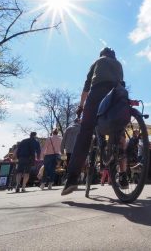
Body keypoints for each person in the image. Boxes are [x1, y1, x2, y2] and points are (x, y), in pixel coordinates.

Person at [62, 47, 124, 196]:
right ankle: (113, 151)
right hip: (117, 94)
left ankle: (72, 179)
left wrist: (81, 106)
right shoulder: (119, 64)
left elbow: (86, 86)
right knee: (116, 124)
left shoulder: (98, 61)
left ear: (102, 54)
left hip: (98, 93)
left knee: (85, 132)